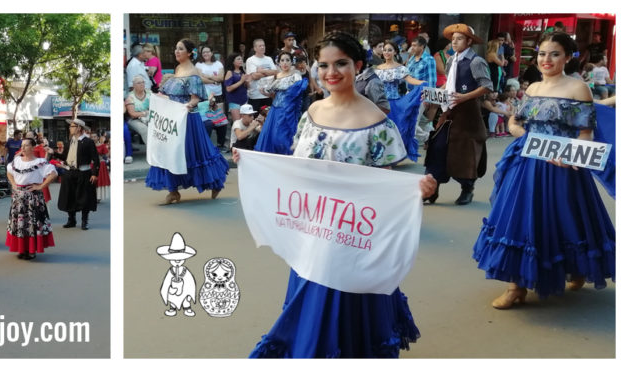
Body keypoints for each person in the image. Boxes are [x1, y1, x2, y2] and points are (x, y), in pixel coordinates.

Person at [236, 31, 436, 358]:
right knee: (312, 298)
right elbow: (297, 169)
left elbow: (384, 183)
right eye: (324, 65)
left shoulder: (378, 123)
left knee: (348, 303)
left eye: (341, 63)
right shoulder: (311, 113)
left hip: (353, 232)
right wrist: (253, 162)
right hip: (313, 226)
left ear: (357, 65)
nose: (332, 72)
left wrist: (415, 189)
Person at [472, 31, 615, 309]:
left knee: (567, 219)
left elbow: (585, 133)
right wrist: (517, 131)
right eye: (542, 54)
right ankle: (516, 287)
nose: (546, 59)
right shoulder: (533, 88)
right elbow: (516, 122)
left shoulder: (578, 88)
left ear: (568, 57)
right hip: (527, 164)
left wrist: (574, 155)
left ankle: (577, 268)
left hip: (564, 167)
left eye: (554, 54)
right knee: (519, 220)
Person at [146, 39, 230, 205]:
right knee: (170, 152)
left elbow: (195, 99)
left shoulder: (193, 72)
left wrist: (183, 107)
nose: (177, 51)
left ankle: (215, 182)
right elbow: (173, 94)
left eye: (181, 49)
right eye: (176, 48)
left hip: (188, 120)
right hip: (174, 120)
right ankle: (173, 191)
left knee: (197, 154)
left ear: (190, 53)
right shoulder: (178, 69)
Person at [424, 23, 492, 205]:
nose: (454, 42)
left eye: (459, 38)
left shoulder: (476, 61)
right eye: (453, 39)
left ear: (469, 41)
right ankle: (431, 189)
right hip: (448, 111)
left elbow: (487, 86)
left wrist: (464, 97)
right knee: (437, 148)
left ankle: (467, 189)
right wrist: (435, 93)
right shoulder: (451, 60)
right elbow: (449, 83)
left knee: (465, 154)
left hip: (468, 114)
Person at [5, 138, 59, 260]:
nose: (23, 148)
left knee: (32, 224)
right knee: (20, 224)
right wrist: (13, 183)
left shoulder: (40, 162)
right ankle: (22, 248)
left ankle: (31, 249)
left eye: (26, 145)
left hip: (32, 197)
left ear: (33, 147)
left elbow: (53, 174)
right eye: (22, 145)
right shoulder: (17, 161)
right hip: (19, 197)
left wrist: (40, 186)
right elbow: (9, 172)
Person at [254, 49, 308, 156]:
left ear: (291, 62)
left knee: (281, 138)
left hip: (286, 111)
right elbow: (271, 93)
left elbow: (297, 92)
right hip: (274, 110)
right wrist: (265, 92)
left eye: (287, 60)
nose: (285, 63)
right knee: (271, 137)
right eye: (282, 60)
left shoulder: (296, 75)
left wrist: (277, 87)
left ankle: (287, 158)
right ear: (278, 63)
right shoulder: (277, 76)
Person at [57, 118, 100, 229]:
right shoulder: (70, 141)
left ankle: (84, 221)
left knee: (84, 197)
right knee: (69, 196)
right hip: (69, 172)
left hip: (83, 173)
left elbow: (95, 159)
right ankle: (71, 220)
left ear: (79, 128)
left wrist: (94, 174)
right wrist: (54, 153)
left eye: (72, 126)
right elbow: (65, 157)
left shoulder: (88, 142)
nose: (69, 128)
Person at [125, 75, 152, 163]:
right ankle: (152, 154)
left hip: (149, 117)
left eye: (143, 82)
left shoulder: (149, 93)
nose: (142, 84)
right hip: (134, 120)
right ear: (134, 85)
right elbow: (132, 114)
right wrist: (144, 113)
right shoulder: (130, 97)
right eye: (139, 83)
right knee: (145, 129)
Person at [246, 38, 278, 109]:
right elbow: (254, 76)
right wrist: (269, 72)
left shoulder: (269, 59)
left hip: (268, 94)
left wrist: (261, 71)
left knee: (268, 117)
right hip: (255, 95)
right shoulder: (250, 60)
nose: (262, 47)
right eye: (260, 46)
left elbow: (276, 72)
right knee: (256, 118)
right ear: (255, 48)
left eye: (263, 45)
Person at [224, 53, 249, 124]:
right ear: (233, 61)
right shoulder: (230, 72)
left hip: (244, 100)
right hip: (234, 101)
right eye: (238, 59)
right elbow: (228, 88)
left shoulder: (242, 72)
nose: (241, 60)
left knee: (245, 123)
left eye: (241, 59)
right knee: (238, 124)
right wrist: (241, 81)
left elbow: (246, 87)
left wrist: (247, 82)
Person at [95, 134, 110, 201]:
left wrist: (102, 157)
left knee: (99, 180)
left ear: (97, 138)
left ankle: (99, 196)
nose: (93, 138)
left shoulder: (102, 146)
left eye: (94, 136)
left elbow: (107, 154)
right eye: (91, 137)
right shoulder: (90, 145)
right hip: (92, 164)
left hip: (101, 164)